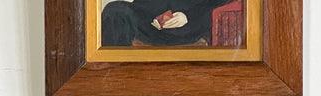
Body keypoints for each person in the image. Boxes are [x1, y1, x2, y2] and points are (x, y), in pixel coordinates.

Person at [100, 0, 233, 47]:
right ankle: (115, 72)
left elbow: (217, 4)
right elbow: (142, 4)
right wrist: (155, 17)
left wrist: (189, 17)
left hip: (185, 27)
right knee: (114, 10)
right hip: (152, 23)